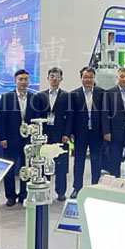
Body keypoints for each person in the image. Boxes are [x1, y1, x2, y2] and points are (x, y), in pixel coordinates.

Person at [30, 67, 73, 201]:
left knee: (61, 165)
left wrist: (67, 134)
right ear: (48, 78)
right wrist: (39, 135)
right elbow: (37, 115)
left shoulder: (67, 96)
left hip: (61, 135)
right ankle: (45, 190)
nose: (54, 79)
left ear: (61, 79)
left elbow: (70, 117)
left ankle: (61, 192)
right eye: (52, 76)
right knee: (44, 164)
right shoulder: (40, 96)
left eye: (57, 77)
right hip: (44, 135)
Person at [0, 69, 34, 207]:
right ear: (15, 81)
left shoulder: (34, 98)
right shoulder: (7, 97)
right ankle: (10, 196)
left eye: (26, 79)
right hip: (11, 139)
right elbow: (2, 119)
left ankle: (24, 194)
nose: (23, 82)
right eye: (21, 79)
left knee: (26, 167)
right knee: (10, 169)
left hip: (27, 140)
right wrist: (3, 138)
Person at [70, 67, 104, 199]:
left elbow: (105, 114)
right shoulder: (74, 94)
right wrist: (71, 132)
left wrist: (106, 131)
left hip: (97, 132)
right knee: (79, 161)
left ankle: (95, 187)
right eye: (85, 77)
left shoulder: (101, 93)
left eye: (90, 77)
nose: (88, 80)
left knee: (96, 160)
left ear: (94, 78)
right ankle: (77, 188)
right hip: (80, 133)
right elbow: (71, 116)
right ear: (81, 78)